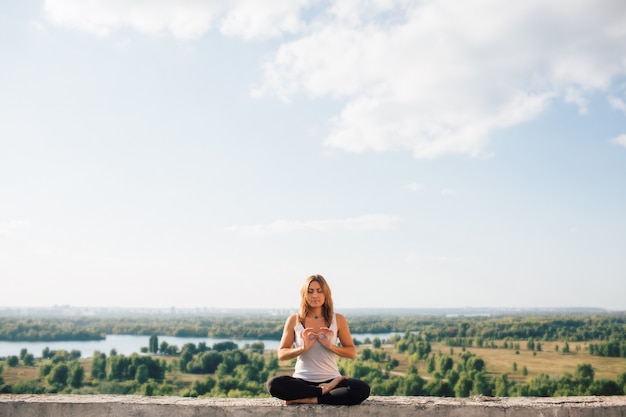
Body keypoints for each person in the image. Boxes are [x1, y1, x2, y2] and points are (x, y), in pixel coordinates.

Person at [267, 274, 370, 405]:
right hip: (302, 381)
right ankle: (320, 392)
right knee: (274, 385)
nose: (315, 295)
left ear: (326, 293)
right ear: (304, 295)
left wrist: (330, 346)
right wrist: (302, 348)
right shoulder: (294, 320)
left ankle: (311, 398)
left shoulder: (338, 319)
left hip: (332, 379)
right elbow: (282, 354)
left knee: (362, 389)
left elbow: (351, 352)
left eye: (319, 291)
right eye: (310, 291)